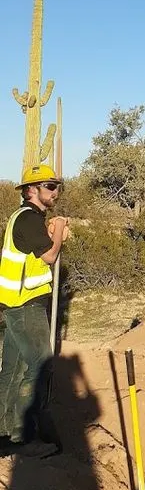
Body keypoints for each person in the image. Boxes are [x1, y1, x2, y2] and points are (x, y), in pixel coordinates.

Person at [0, 164, 69, 458]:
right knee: (40, 365)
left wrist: (52, 230)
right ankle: (25, 436)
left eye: (56, 187)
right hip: (25, 306)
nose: (55, 192)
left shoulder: (27, 218)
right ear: (31, 190)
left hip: (14, 305)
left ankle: (5, 436)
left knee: (13, 371)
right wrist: (59, 233)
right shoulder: (28, 219)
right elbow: (50, 256)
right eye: (49, 187)